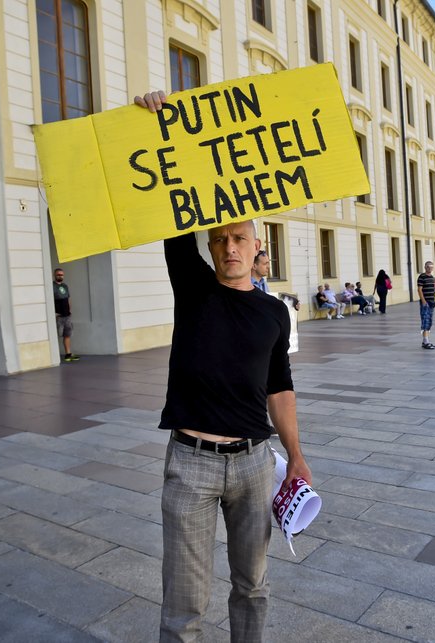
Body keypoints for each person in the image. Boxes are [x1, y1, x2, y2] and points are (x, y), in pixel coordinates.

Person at [136, 90, 311, 642]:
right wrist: (164, 129)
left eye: (239, 238)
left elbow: (279, 389)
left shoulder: (273, 312)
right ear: (210, 247)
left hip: (256, 465)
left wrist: (298, 459)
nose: (229, 247)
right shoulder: (192, 288)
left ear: (257, 245)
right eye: (220, 240)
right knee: (184, 604)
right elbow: (172, 205)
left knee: (252, 586)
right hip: (191, 464)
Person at [52, 268, 79, 362]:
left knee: (67, 335)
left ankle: (68, 354)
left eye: (62, 275)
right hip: (58, 316)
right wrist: (53, 313)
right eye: (58, 274)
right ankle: (53, 356)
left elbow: (68, 299)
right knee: (56, 334)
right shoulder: (52, 286)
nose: (60, 276)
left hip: (67, 315)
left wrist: (70, 310)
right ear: (54, 275)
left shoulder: (65, 286)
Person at [417, 261, 435, 349]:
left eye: (432, 267)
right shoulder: (422, 277)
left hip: (431, 302)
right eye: (428, 267)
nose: (430, 269)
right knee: (425, 321)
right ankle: (426, 341)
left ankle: (425, 341)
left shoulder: (432, 278)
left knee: (429, 321)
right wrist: (423, 301)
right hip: (425, 302)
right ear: (425, 267)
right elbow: (419, 290)